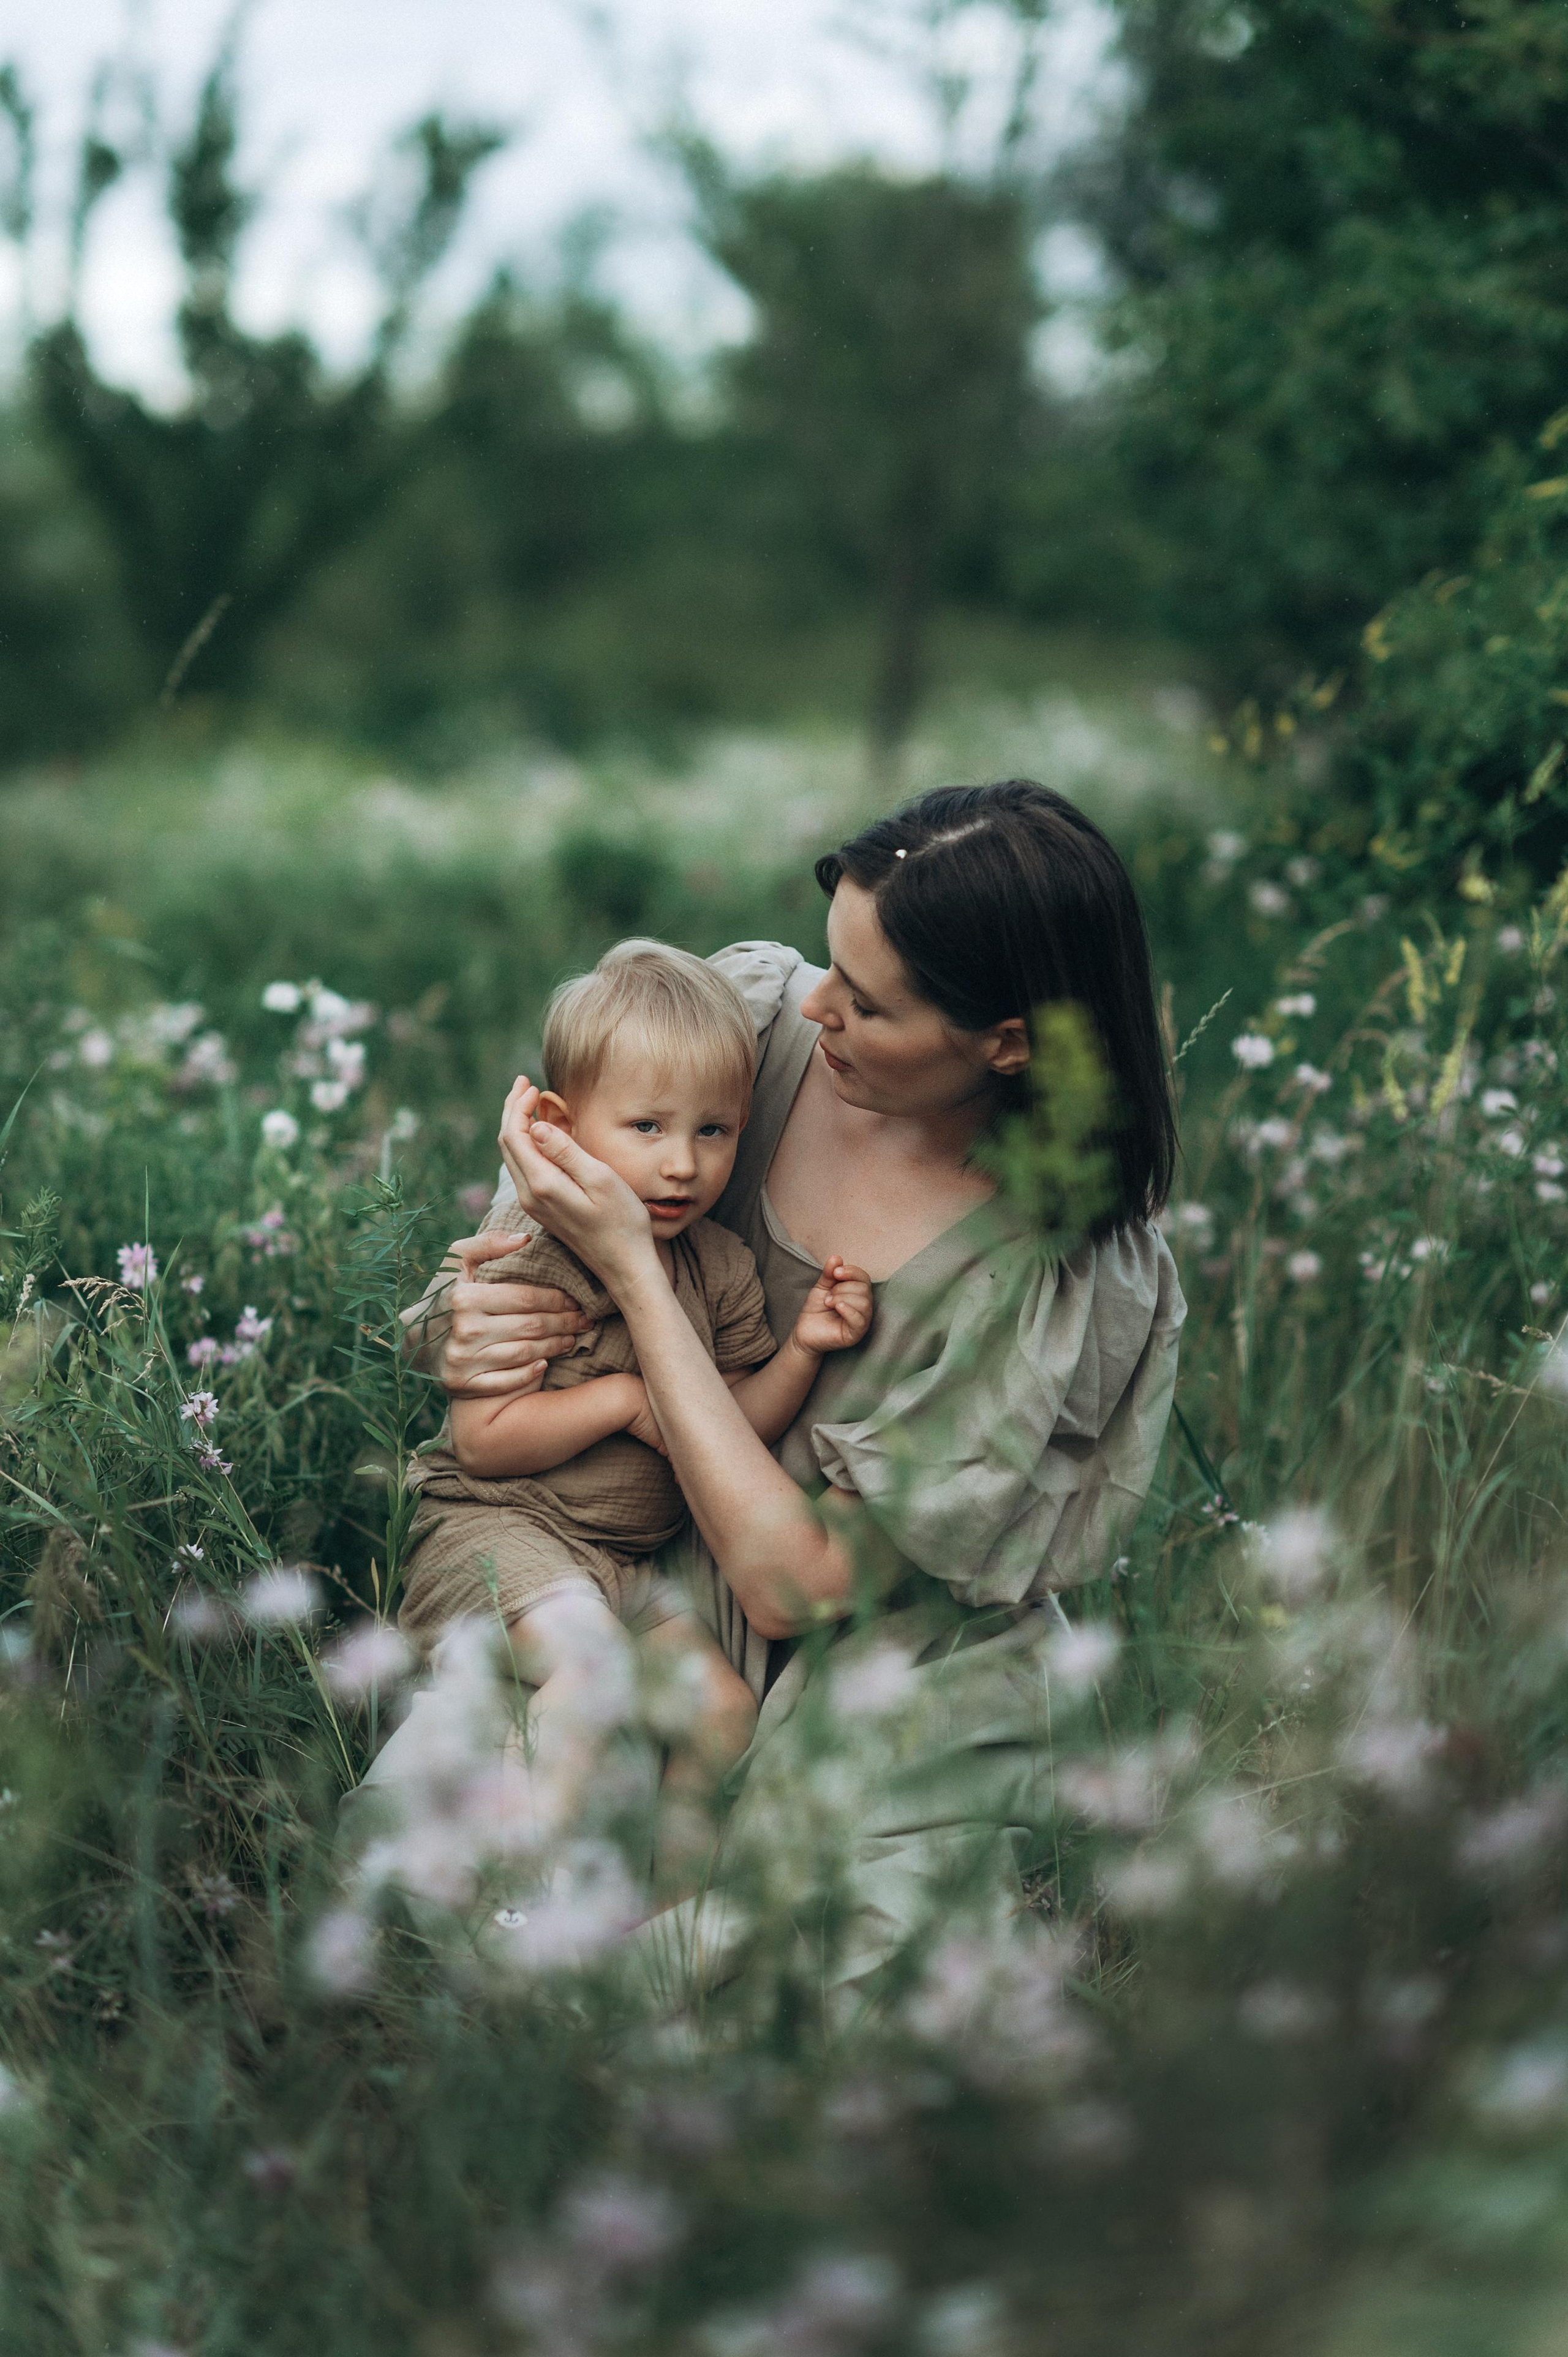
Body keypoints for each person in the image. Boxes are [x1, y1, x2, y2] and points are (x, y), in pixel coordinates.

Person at [394, 779, 1186, 2003]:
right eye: (830, 966)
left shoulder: (1063, 1266)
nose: (819, 1005)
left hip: (875, 1645)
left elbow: (794, 1587)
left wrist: (636, 1284)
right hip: (628, 1547)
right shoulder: (752, 1022)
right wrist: (477, 1326)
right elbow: (503, 1283)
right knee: (440, 1858)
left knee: (798, 1968)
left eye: (866, 1002)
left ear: (1005, 1044)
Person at [396, 940, 872, 1896]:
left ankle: (663, 1925)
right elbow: (485, 1442)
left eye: (714, 1132)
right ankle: (510, 1909)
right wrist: (622, 1399)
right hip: (501, 1531)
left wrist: (803, 1352)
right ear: (564, 1126)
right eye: (647, 1126)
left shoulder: (722, 1268)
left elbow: (730, 1424)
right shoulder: (532, 1253)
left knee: (722, 1711)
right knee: (591, 1676)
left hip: (624, 1566)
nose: (681, 1165)